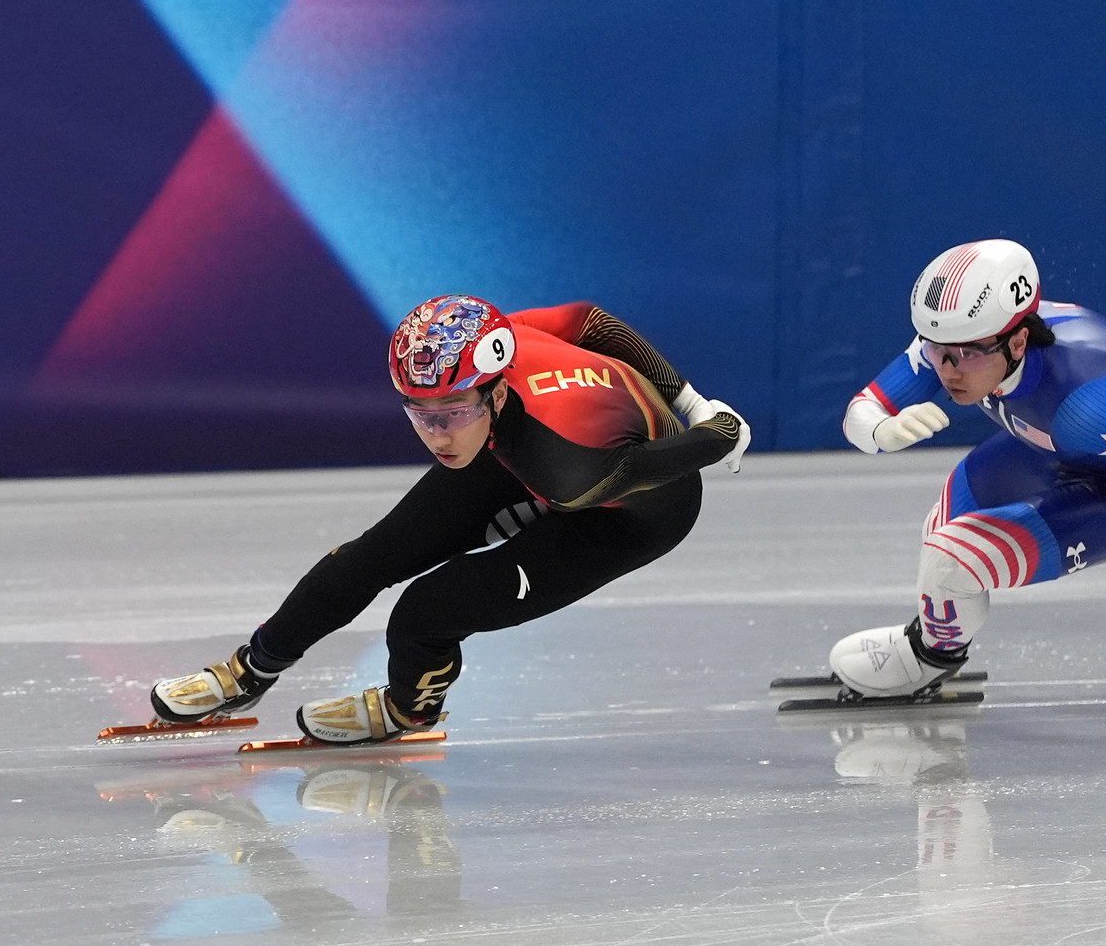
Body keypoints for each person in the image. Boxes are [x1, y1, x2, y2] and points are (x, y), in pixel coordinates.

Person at [145, 296, 749, 745]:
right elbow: (590, 321)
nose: (437, 436)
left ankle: (408, 710)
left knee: (428, 612)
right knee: (373, 555)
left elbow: (658, 461)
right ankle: (251, 671)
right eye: (420, 414)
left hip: (622, 509)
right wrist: (687, 396)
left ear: (496, 393)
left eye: (452, 413)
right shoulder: (503, 340)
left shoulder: (569, 469)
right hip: (519, 446)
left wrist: (711, 424)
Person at [831, 240, 1106, 697]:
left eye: (966, 355)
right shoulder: (966, 335)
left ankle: (929, 659)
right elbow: (861, 411)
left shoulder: (1088, 405)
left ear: (1020, 342)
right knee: (942, 523)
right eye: (936, 350)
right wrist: (881, 431)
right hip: (1057, 449)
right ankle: (937, 638)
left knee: (951, 559)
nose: (948, 371)